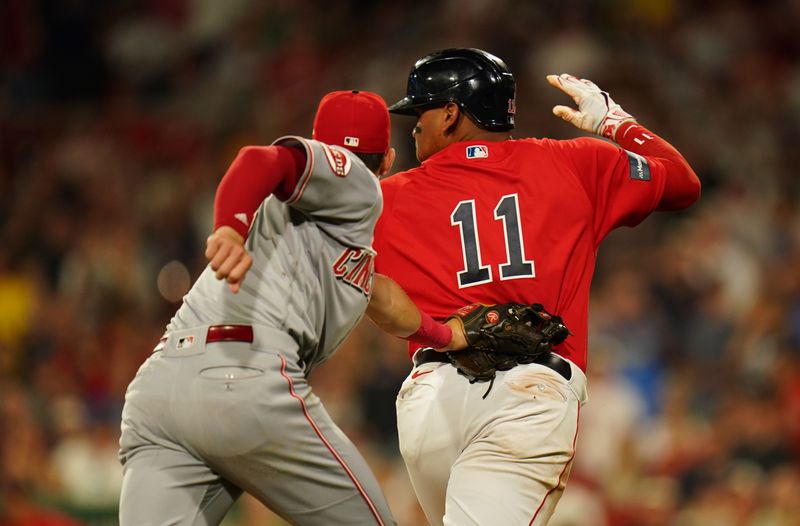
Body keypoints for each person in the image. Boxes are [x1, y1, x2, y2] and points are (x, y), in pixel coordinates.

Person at [375, 48, 701, 525]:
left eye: (419, 110)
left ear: (450, 113)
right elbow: (682, 183)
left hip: (430, 403)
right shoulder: (577, 162)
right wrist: (617, 124)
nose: (413, 124)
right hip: (529, 392)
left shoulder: (388, 196)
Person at [118, 90, 468, 526]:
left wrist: (445, 335)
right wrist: (229, 228)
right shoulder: (358, 183)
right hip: (242, 379)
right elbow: (260, 160)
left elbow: (382, 297)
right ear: (388, 160)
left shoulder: (333, 239)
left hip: (160, 392)